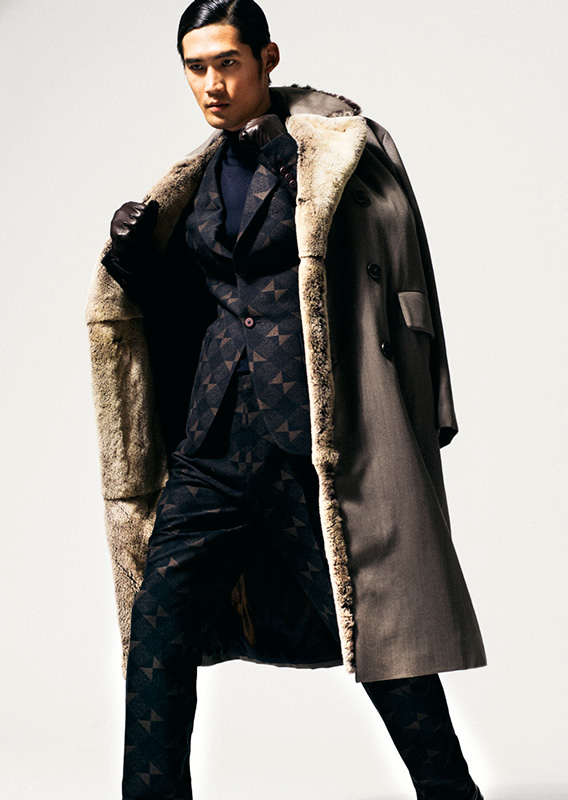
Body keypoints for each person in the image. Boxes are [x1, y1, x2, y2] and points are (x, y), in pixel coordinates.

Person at [86, 1, 487, 798]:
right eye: (196, 67)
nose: (212, 83)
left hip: (312, 444)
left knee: (379, 639)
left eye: (227, 62)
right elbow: (194, 312)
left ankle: (453, 793)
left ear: (267, 58)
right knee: (155, 631)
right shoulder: (197, 179)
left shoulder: (338, 154)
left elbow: (396, 274)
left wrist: (422, 401)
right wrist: (135, 263)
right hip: (210, 445)